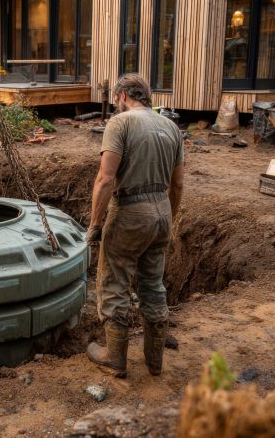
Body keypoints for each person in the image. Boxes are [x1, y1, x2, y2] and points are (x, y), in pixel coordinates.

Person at [86, 73, 184, 378]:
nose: (116, 104)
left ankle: (115, 357)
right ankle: (154, 361)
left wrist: (94, 225)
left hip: (130, 210)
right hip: (162, 212)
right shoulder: (171, 127)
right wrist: (169, 217)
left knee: (114, 281)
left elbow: (106, 179)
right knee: (153, 284)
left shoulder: (120, 124)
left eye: (117, 99)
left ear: (123, 96)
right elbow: (178, 183)